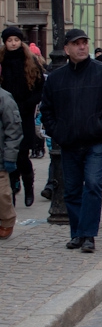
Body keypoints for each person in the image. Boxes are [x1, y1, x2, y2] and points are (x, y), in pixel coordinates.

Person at [39, 29, 102, 253]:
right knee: (71, 189)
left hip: (96, 141)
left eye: (84, 43)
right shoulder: (57, 78)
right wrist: (58, 132)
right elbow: (46, 110)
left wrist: (101, 127)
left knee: (93, 184)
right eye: (76, 44)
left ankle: (88, 234)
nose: (81, 47)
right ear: (66, 49)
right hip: (69, 143)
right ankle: (77, 233)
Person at [0, 27, 44, 207]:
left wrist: (28, 105)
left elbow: (39, 88)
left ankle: (28, 186)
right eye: (9, 40)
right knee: (7, 153)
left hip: (24, 113)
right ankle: (12, 185)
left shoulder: (31, 61)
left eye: (16, 40)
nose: (13, 43)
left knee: (22, 154)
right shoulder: (2, 61)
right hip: (4, 114)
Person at [0, 69, 22, 239]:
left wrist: (9, 156)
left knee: (3, 194)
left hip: (1, 157)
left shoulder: (4, 98)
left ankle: (7, 221)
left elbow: (13, 129)